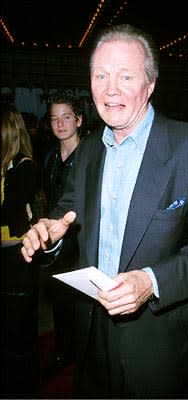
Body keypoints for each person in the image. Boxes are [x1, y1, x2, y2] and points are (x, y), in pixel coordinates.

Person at [21, 24, 188, 399]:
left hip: (158, 339)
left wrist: (150, 282)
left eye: (125, 76)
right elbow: (67, 212)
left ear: (150, 84)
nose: (111, 89)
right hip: (91, 331)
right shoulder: (88, 151)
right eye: (101, 75)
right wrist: (49, 233)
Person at [41, 91, 85, 371]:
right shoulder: (49, 157)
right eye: (55, 118)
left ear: (79, 120)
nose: (60, 123)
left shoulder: (91, 156)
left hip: (81, 240)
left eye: (66, 117)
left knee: (80, 302)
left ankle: (79, 352)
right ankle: (62, 350)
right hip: (57, 243)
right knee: (59, 297)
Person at [1, 104, 40, 398]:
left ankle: (23, 384)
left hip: (16, 251)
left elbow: (11, 210)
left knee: (19, 321)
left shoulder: (24, 165)